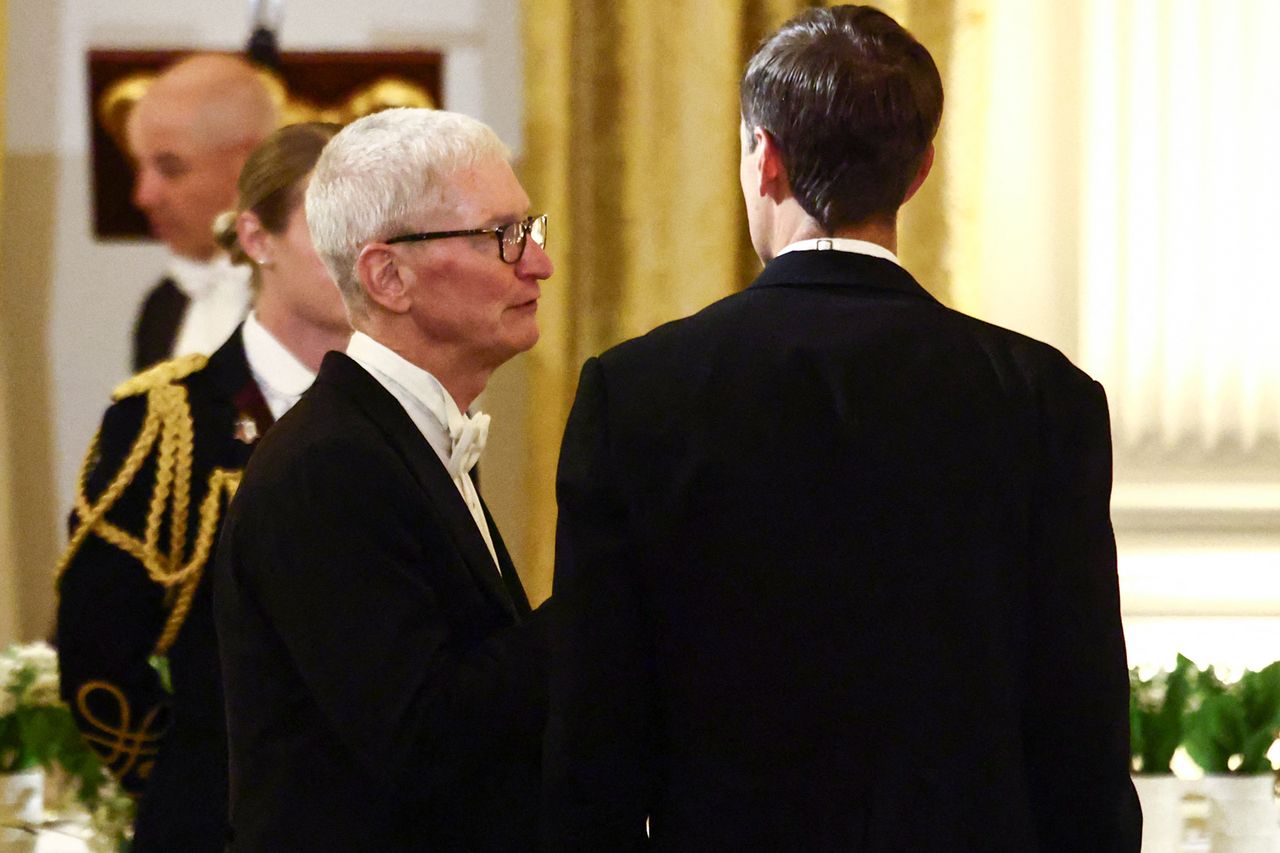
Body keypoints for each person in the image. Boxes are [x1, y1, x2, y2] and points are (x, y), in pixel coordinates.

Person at [543, 6, 1141, 851]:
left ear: (765, 158)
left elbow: (592, 751)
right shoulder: (1045, 399)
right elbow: (1082, 739)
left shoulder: (637, 394)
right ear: (921, 169)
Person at [213, 107, 553, 852]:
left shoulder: (394, 439)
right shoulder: (327, 465)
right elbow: (425, 737)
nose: (538, 262)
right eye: (501, 235)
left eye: (532, 228)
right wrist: (608, 598)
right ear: (388, 275)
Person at [56, 122, 350, 852]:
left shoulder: (420, 412)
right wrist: (203, 780)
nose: (361, 252)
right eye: (330, 223)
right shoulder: (168, 421)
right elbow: (98, 655)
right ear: (257, 238)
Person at [127, 53, 279, 371]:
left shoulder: (318, 309)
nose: (144, 196)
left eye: (171, 168)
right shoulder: (163, 306)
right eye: (139, 167)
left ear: (248, 166)